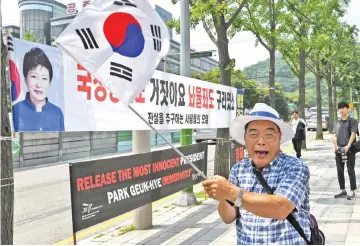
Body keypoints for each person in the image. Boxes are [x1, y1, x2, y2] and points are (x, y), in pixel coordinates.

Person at [202, 103, 311, 245]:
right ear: (245, 138)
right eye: (253, 134)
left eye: (269, 134)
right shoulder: (238, 169)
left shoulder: (295, 167)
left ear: (279, 137)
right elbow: (228, 217)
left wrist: (230, 191)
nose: (261, 141)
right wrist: (223, 195)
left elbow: (280, 208)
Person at [12, 47, 64, 132]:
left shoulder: (57, 113)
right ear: (25, 79)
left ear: (49, 82)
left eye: (44, 78)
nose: (39, 84)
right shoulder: (15, 110)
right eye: (34, 76)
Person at [333, 101, 358, 200]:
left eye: (343, 108)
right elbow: (335, 136)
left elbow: (353, 133)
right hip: (339, 150)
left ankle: (353, 191)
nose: (342, 110)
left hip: (349, 150)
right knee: (340, 171)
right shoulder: (337, 122)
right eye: (340, 108)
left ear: (347, 109)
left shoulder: (352, 121)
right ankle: (343, 190)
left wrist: (348, 145)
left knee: (350, 170)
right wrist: (336, 147)